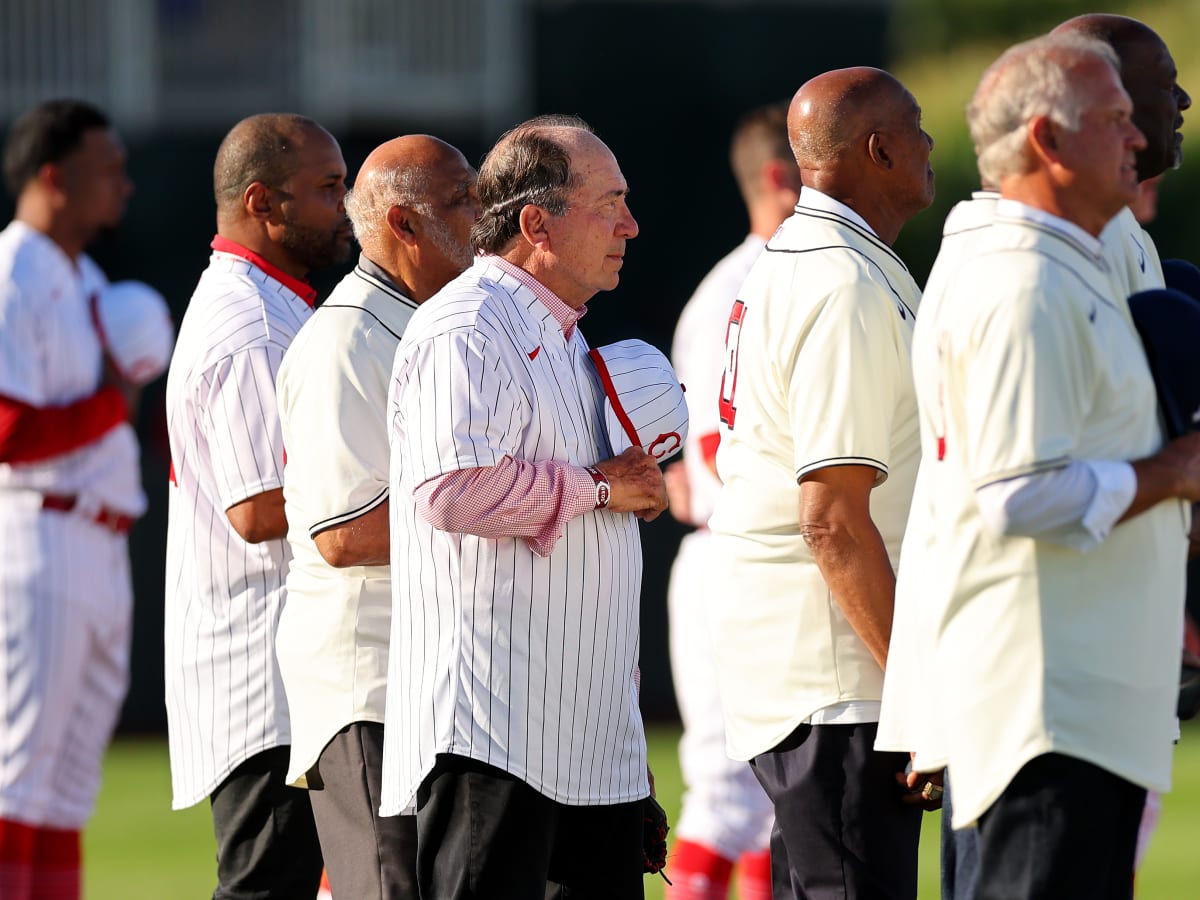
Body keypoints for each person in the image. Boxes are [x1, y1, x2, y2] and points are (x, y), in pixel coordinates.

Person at [877, 15, 1193, 899]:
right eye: (1115, 117)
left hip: (1074, 702)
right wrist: (1173, 474)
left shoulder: (1063, 263)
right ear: (1048, 140)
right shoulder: (1024, 280)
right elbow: (1014, 492)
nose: (1140, 133)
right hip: (1045, 711)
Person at [381, 114, 668, 899]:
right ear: (537, 222)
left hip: (585, 747)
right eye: (610, 202)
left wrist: (630, 752)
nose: (630, 225)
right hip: (491, 736)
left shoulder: (569, 336)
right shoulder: (467, 323)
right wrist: (601, 485)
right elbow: (450, 491)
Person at [705, 68, 937, 900]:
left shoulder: (831, 260)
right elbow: (831, 520)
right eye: (914, 127)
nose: (931, 142)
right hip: (840, 676)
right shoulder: (839, 278)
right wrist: (922, 698)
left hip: (828, 667)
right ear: (877, 149)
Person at [274, 134, 480, 899]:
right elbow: (344, 533)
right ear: (404, 224)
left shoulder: (435, 325)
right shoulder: (346, 337)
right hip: (372, 683)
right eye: (461, 198)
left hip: (435, 678)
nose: (483, 213)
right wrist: (509, 502)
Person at [164, 112, 352, 900]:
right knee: (264, 889)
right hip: (263, 674)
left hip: (288, 660)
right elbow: (258, 508)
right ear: (261, 203)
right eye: (327, 189)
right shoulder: (247, 320)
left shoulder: (274, 304)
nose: (344, 207)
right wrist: (398, 488)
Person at [0, 99, 138, 899]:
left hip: (98, 541)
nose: (123, 184)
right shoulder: (13, 269)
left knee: (67, 785)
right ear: (54, 177)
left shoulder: (82, 273)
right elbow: (9, 429)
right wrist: (116, 402)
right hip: (39, 532)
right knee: (20, 774)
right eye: (107, 169)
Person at [664, 102, 800, 900]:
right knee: (727, 794)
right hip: (736, 551)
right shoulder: (741, 289)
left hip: (760, 550)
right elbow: (721, 451)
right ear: (781, 176)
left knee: (773, 803)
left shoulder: (767, 278)